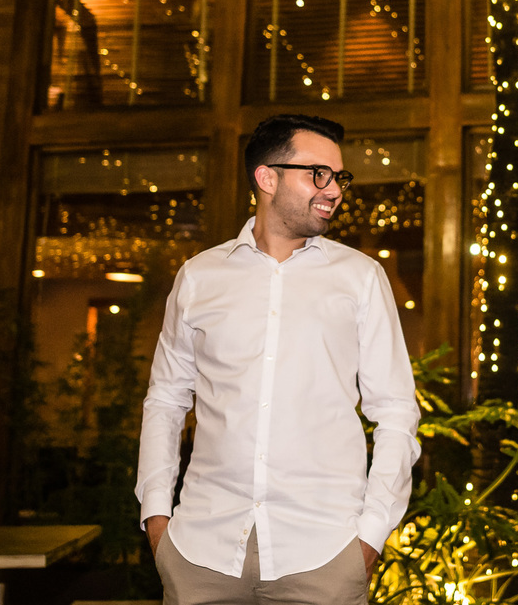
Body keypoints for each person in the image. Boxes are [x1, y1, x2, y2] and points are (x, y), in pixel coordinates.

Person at [136, 114, 420, 605]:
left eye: (339, 177)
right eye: (318, 174)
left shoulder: (361, 277)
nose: (334, 190)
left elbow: (396, 411)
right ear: (267, 177)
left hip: (323, 555)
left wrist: (370, 535)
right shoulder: (200, 277)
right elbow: (165, 399)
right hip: (201, 552)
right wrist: (157, 518)